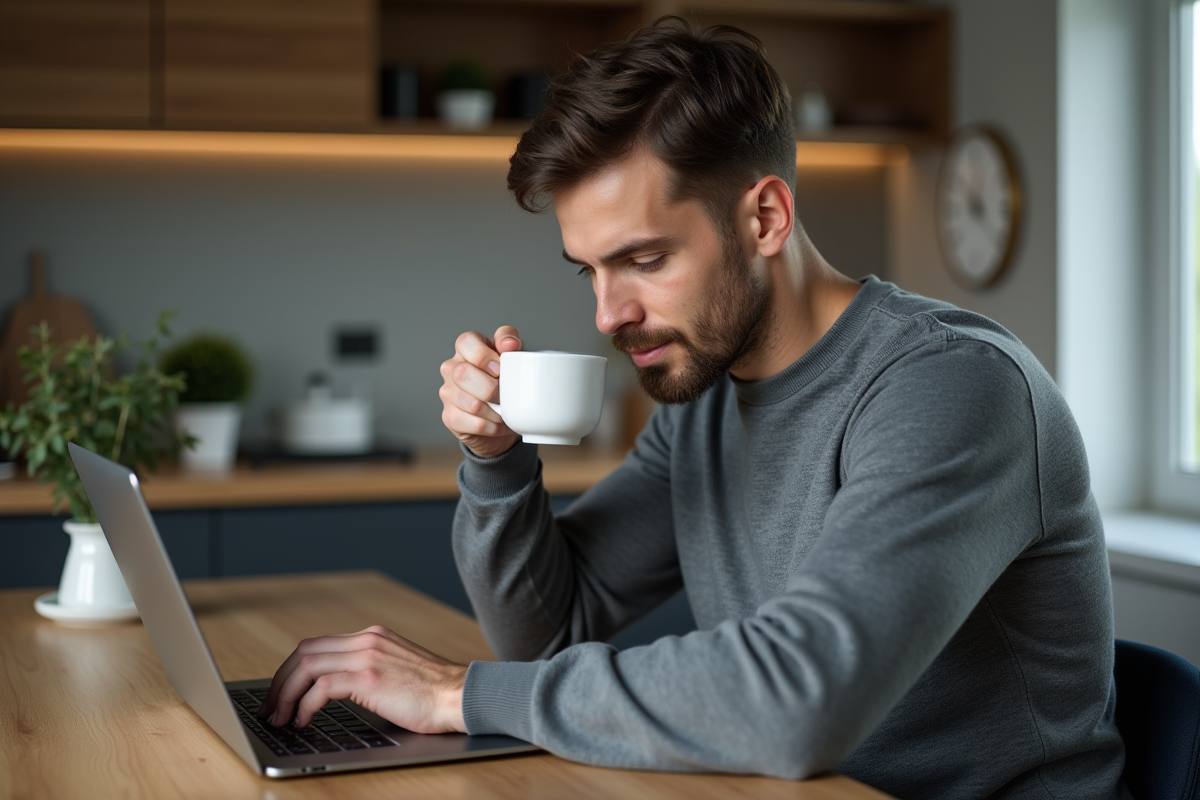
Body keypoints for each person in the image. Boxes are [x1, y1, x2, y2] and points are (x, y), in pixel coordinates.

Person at [258, 19, 1128, 798]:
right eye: (589, 270)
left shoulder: (950, 389)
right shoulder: (708, 401)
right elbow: (548, 630)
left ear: (765, 218)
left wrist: (457, 693)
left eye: (643, 259)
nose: (608, 314)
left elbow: (801, 701)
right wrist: (497, 460)